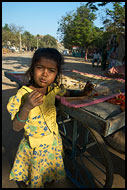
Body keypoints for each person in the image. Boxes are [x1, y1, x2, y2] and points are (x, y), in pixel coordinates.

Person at [7, 48, 94, 188]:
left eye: (51, 70)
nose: (44, 74)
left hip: (52, 144)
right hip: (35, 149)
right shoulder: (22, 95)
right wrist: (27, 107)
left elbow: (67, 92)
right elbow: (16, 127)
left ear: (56, 74)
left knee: (52, 177)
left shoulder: (52, 88)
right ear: (32, 69)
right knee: (36, 179)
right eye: (40, 68)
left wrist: (83, 92)